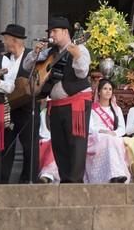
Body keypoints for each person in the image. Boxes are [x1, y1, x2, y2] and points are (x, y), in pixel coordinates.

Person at [24, 16, 92, 183]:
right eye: (50, 32)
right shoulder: (50, 52)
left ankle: (75, 182)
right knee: (59, 145)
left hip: (76, 103)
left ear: (65, 32)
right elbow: (26, 66)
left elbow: (82, 72)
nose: (51, 35)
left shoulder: (80, 48)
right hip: (56, 104)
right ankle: (64, 179)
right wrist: (35, 53)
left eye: (54, 31)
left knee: (76, 144)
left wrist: (76, 57)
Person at [0, 24, 37, 184]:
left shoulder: (31, 56)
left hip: (28, 108)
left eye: (6, 39)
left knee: (29, 146)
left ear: (14, 40)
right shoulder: (5, 58)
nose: (4, 42)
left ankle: (28, 179)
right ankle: (3, 179)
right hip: (9, 109)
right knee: (6, 145)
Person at [85, 79, 130, 183]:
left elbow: (122, 128)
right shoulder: (92, 109)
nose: (108, 91)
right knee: (108, 140)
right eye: (105, 88)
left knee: (113, 140)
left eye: (110, 89)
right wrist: (101, 131)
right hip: (96, 137)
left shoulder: (116, 109)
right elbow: (89, 127)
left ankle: (117, 174)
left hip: (112, 136)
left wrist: (113, 133)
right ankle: (114, 174)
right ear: (99, 92)